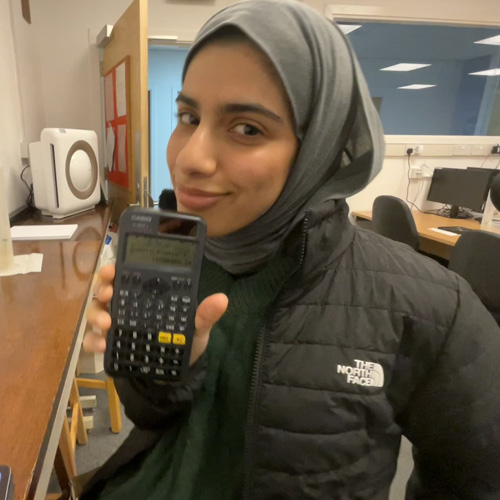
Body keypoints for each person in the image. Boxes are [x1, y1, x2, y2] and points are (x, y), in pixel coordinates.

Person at [81, 1, 500, 498]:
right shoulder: (173, 259)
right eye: (189, 116)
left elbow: (480, 478)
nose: (189, 157)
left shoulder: (436, 309)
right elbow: (150, 416)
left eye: (247, 128)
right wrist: (170, 368)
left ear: (318, 148)